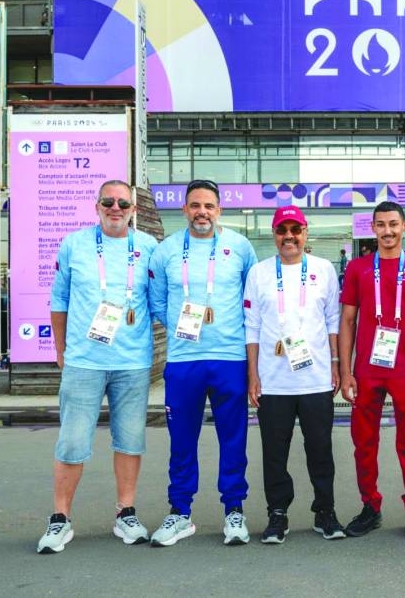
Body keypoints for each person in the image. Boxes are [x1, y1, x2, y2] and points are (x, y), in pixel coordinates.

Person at [36, 180, 158, 554]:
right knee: (72, 442)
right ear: (97, 206)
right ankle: (60, 518)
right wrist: (61, 351)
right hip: (84, 362)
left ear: (133, 209)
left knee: (130, 441)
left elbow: (159, 300)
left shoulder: (149, 247)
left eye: (123, 203)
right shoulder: (74, 244)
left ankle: (126, 513)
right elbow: (59, 300)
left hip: (132, 363)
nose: (115, 208)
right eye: (109, 201)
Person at [147, 179, 256, 546]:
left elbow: (250, 299)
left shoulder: (239, 247)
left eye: (209, 206)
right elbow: (157, 302)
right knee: (181, 440)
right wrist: (181, 330)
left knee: (233, 439)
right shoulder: (166, 250)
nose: (202, 212)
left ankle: (234, 510)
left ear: (219, 210)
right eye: (195, 205)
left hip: (229, 358)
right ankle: (180, 512)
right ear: (184, 210)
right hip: (184, 359)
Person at [243, 205, 346, 543]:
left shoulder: (323, 269)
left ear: (305, 233)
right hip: (273, 380)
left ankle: (325, 511)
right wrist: (253, 375)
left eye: (295, 230)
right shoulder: (258, 273)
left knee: (320, 448)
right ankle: (277, 513)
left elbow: (332, 320)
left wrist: (336, 364)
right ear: (274, 234)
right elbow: (252, 327)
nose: (289, 236)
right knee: (274, 452)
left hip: (316, 378)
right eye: (282, 230)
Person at [338, 201, 405, 539]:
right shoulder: (358, 268)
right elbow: (347, 321)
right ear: (373, 228)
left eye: (393, 224)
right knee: (364, 442)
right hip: (367, 370)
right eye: (380, 225)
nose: (387, 231)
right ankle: (370, 506)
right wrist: (346, 371)